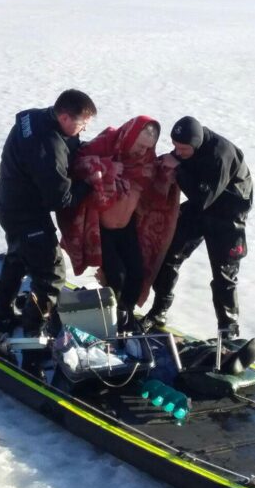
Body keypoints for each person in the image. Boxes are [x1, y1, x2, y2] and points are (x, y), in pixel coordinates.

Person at [58, 116, 180, 332]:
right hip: (101, 227)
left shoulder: (146, 160)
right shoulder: (110, 141)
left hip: (127, 225)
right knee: (117, 276)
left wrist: (169, 171)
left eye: (147, 147)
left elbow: (156, 189)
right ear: (130, 136)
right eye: (140, 145)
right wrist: (106, 167)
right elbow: (77, 162)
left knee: (137, 273)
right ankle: (107, 319)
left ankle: (125, 315)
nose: (142, 151)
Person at [0, 89, 97, 335]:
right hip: (26, 214)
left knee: (18, 256)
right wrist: (89, 184)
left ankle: (2, 312)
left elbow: (67, 146)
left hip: (8, 202)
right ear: (64, 118)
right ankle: (34, 330)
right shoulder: (48, 148)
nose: (83, 131)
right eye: (82, 125)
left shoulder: (35, 117)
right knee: (52, 274)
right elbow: (60, 198)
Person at [143, 116, 253, 339]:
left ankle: (228, 332)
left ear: (196, 144)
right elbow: (179, 166)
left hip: (227, 215)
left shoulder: (220, 155)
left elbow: (203, 197)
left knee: (224, 275)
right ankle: (159, 311)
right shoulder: (189, 146)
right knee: (168, 255)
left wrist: (179, 169)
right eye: (175, 147)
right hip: (200, 208)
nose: (178, 152)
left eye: (182, 149)